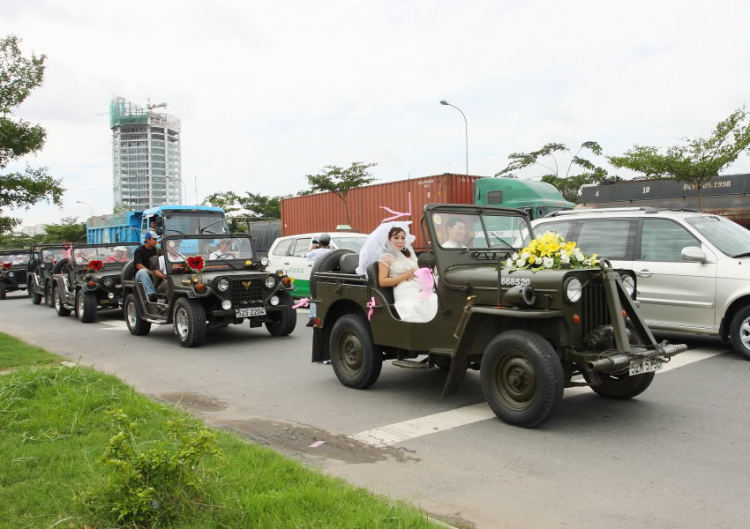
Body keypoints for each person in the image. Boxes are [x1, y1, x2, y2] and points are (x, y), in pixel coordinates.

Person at [356, 222, 438, 323]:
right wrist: (405, 276)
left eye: (403, 238)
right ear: (389, 240)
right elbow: (382, 281)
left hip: (418, 287)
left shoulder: (409, 255)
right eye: (396, 237)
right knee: (419, 305)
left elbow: (418, 271)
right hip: (404, 290)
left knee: (436, 300)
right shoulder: (385, 258)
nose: (400, 241)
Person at [305, 234, 331, 327]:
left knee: (314, 296)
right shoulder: (332, 252)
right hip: (328, 277)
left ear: (319, 242)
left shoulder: (315, 252)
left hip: (316, 276)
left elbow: (307, 256)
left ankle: (313, 317)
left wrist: (312, 248)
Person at [134, 232, 162, 302]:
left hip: (153, 272)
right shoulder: (139, 250)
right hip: (139, 275)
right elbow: (138, 265)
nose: (156, 241)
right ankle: (151, 294)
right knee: (143, 271)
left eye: (156, 239)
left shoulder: (155, 250)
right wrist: (151, 272)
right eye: (154, 239)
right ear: (148, 239)